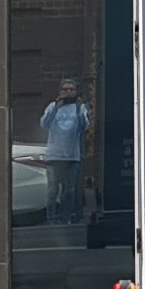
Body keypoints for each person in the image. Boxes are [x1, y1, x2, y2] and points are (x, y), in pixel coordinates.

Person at [41, 79, 94, 226]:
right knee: (52, 189)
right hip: (54, 155)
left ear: (75, 91)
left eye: (71, 89)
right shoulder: (52, 106)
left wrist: (79, 110)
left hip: (72, 156)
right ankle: (51, 217)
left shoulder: (80, 107)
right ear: (60, 91)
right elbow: (44, 124)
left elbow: (84, 126)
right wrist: (55, 108)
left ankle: (65, 218)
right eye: (65, 89)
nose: (68, 92)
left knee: (69, 190)